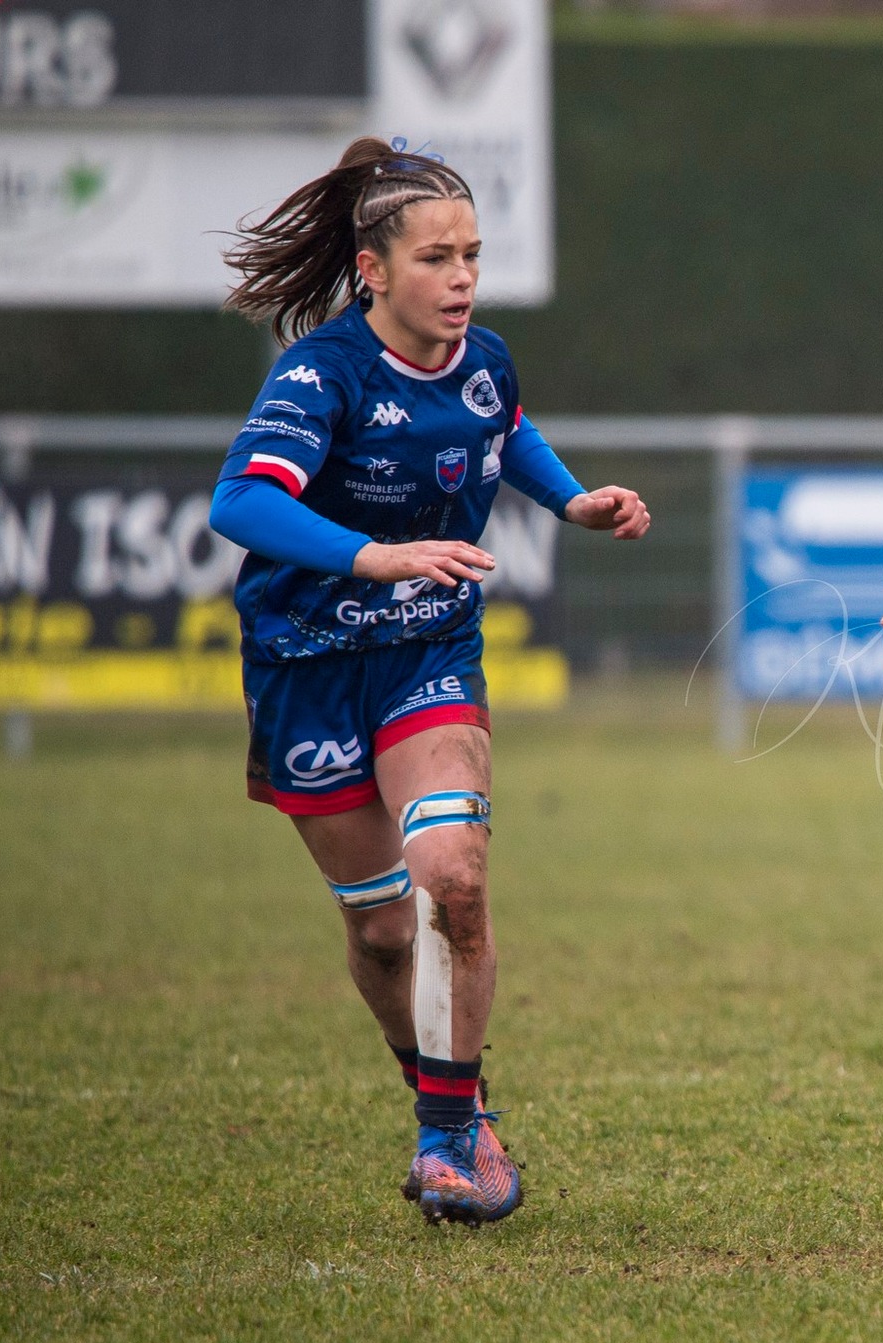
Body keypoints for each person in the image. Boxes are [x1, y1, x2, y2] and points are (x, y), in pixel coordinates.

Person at [208, 138, 651, 1226]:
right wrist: (381, 553)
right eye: (436, 259)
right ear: (373, 269)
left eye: (473, 256)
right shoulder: (322, 374)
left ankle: (450, 1141)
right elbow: (241, 504)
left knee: (451, 877)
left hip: (427, 659)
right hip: (306, 674)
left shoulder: (485, 356)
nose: (461, 279)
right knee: (381, 932)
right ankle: (450, 1096)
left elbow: (503, 425)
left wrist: (570, 501)